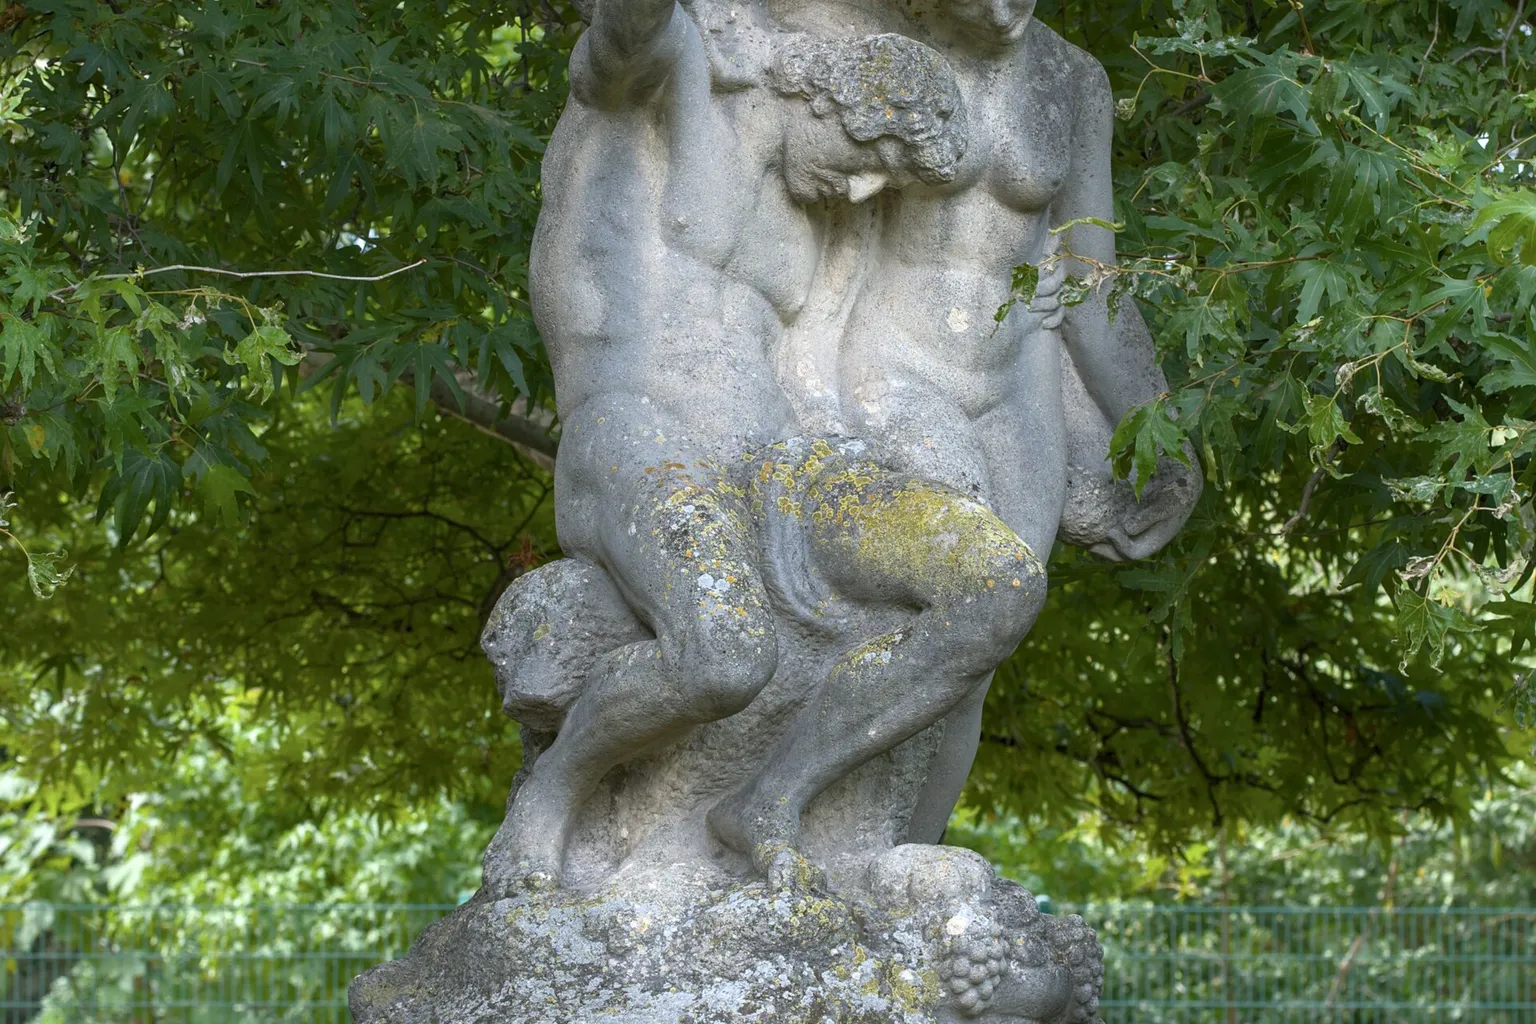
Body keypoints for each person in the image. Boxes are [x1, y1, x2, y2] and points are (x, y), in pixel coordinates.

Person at [489, 0, 1007, 889]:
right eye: (872, 163)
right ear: (832, 106)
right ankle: (554, 794)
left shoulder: (812, 220)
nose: (863, 194)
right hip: (638, 434)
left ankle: (771, 798)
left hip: (780, 461)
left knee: (994, 588)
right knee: (724, 654)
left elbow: (812, 367)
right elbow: (627, 32)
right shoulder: (668, 84)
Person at [707, 0, 1202, 860]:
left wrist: (1157, 436)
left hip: (1019, 388)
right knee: (959, 591)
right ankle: (775, 806)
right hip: (893, 374)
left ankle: (901, 872)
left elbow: (1094, 278)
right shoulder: (873, 47)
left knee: (973, 664)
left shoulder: (1072, 81)